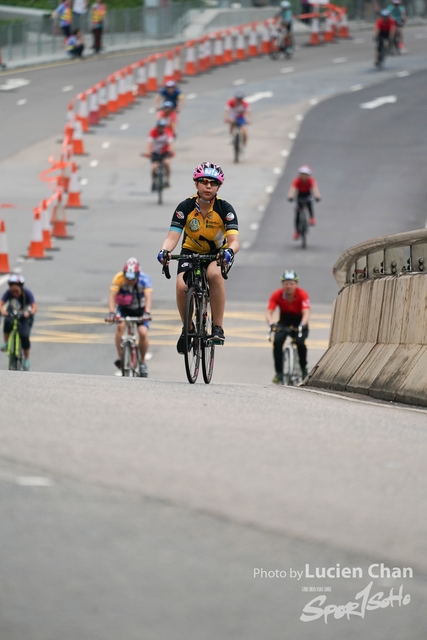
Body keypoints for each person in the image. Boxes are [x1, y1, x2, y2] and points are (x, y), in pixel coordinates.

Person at [157, 162, 239, 352]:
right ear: (196, 184)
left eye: (213, 183)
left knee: (214, 275)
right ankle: (188, 328)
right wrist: (165, 251)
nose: (208, 186)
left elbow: (234, 241)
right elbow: (172, 237)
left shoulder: (224, 208)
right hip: (190, 251)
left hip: (217, 254)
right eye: (204, 182)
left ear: (219, 186)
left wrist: (229, 251)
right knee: (181, 285)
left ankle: (217, 327)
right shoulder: (184, 207)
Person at [105, 258, 152, 377]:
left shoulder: (144, 279)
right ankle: (121, 357)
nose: (130, 281)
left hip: (140, 310)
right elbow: (112, 297)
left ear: (138, 274)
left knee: (142, 332)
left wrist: (147, 312)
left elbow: (148, 298)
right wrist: (111, 312)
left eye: (133, 278)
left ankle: (142, 363)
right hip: (124, 308)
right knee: (120, 326)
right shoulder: (119, 278)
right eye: (128, 277)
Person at [266, 270, 310, 384]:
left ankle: (304, 368)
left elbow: (306, 312)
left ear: (296, 284)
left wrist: (303, 324)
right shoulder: (277, 294)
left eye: (291, 283)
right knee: (277, 342)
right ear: (282, 285)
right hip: (284, 322)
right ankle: (279, 373)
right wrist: (271, 323)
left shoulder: (302, 294)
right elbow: (269, 312)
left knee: (300, 343)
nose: (288, 286)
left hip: (299, 322)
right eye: (286, 283)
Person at [0, 274, 37, 372]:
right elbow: (1, 303)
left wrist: (29, 313)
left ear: (21, 288)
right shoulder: (8, 293)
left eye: (17, 291)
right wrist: (3, 311)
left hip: (24, 317)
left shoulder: (27, 293)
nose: (15, 293)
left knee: (24, 336)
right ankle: (6, 342)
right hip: (12, 314)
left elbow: (34, 307)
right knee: (7, 321)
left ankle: (27, 360)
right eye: (13, 291)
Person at [287, 165, 321, 240]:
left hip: (307, 195)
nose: (304, 176)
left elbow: (315, 189)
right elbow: (292, 189)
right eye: (302, 174)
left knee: (309, 204)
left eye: (306, 175)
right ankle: (297, 231)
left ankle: (312, 218)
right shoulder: (297, 180)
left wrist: (317, 196)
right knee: (297, 213)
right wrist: (290, 196)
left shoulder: (311, 180)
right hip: (299, 196)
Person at [145, 118, 174, 189]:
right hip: (155, 152)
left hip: (165, 152)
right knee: (154, 167)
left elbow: (171, 143)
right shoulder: (153, 132)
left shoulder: (168, 132)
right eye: (160, 126)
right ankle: (154, 182)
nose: (161, 128)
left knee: (167, 163)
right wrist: (148, 152)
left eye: (163, 126)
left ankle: (167, 181)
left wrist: (171, 151)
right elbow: (149, 143)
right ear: (157, 126)